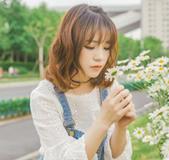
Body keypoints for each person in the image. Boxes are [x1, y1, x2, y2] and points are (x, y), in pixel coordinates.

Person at [30, 4, 136, 160]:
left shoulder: (110, 86)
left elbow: (115, 155)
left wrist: (121, 127)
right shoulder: (44, 97)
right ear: (69, 44)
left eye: (106, 47)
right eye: (90, 46)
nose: (100, 56)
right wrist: (104, 120)